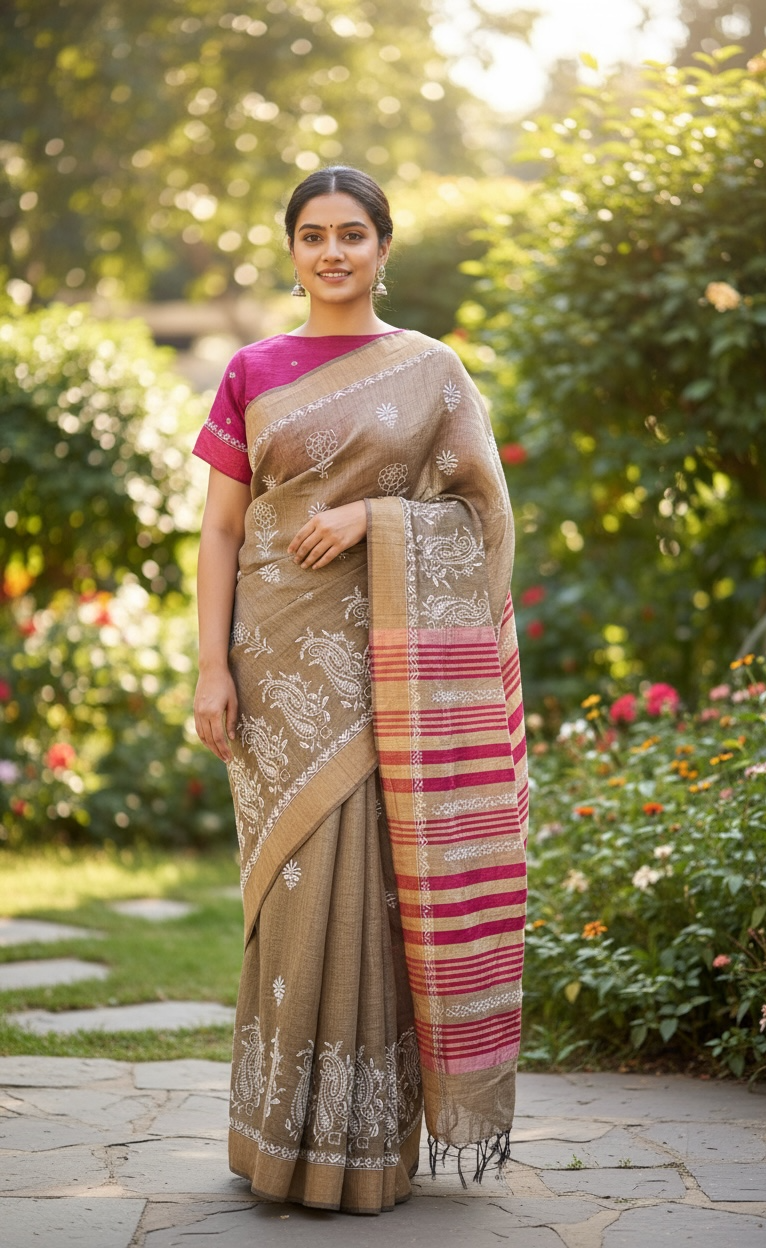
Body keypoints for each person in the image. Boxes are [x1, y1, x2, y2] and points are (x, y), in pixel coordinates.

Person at [192, 166, 528, 1216]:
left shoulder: (431, 371)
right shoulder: (252, 367)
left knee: (372, 886)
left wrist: (375, 523)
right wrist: (210, 667)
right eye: (311, 235)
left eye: (351, 234)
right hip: (276, 659)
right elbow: (218, 528)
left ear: (384, 247)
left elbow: (483, 523)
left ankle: (359, 1149)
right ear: (291, 253)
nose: (331, 252)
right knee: (288, 891)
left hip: (390, 669)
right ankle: (276, 1143)